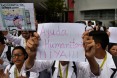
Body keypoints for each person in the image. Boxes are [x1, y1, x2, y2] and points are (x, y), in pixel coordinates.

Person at [25, 32, 99, 78]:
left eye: (66, 48)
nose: (63, 52)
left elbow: (95, 72)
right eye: (61, 47)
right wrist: (31, 57)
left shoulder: (77, 63)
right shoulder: (52, 61)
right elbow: (31, 67)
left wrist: (91, 58)